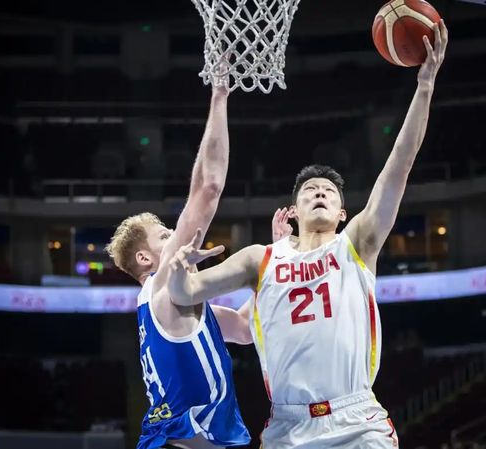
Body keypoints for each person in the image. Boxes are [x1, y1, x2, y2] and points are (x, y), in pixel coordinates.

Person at [165, 21, 448, 449]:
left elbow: (400, 165)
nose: (319, 192)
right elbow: (184, 294)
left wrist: (424, 86)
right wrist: (177, 268)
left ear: (342, 213)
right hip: (288, 427)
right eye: (310, 190)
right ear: (294, 211)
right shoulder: (260, 258)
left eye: (329, 191)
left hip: (356, 420)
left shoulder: (356, 243)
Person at [105, 79, 251, 449]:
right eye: (165, 237)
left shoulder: (174, 306)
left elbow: (245, 329)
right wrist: (220, 96)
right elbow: (208, 189)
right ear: (145, 258)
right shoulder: (162, 289)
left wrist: (273, 262)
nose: (177, 239)